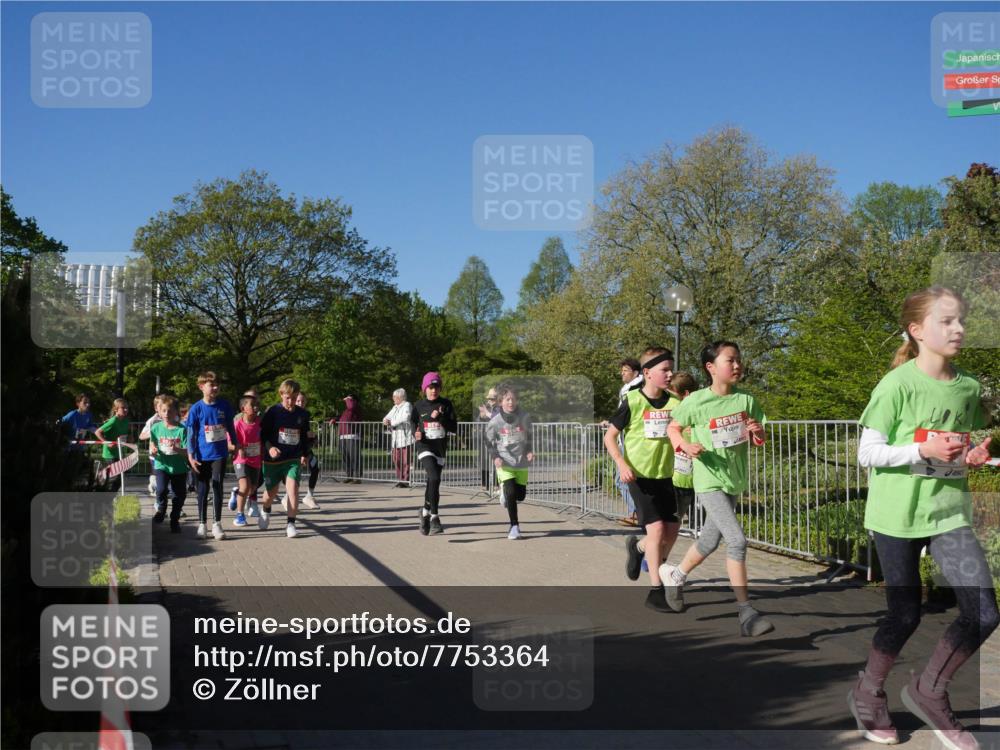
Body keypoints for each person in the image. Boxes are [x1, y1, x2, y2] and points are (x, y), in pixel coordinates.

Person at [848, 286, 997, 750]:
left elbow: (965, 440)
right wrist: (922, 449)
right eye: (946, 321)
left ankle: (929, 691)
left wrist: (975, 454)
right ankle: (868, 693)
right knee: (905, 614)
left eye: (961, 320)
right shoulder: (897, 385)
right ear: (916, 331)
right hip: (896, 515)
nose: (958, 329)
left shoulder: (969, 385)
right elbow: (866, 453)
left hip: (948, 513)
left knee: (985, 613)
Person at [665, 341, 773, 636]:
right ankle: (746, 613)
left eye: (739, 360)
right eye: (730, 360)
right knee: (736, 541)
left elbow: (759, 436)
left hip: (734, 480)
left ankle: (675, 576)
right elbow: (672, 428)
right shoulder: (697, 401)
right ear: (711, 368)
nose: (737, 365)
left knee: (710, 540)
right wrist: (686, 445)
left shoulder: (747, 400)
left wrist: (757, 433)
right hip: (708, 479)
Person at [604, 347, 681, 612]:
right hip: (638, 476)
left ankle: (638, 549)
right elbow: (610, 437)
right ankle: (656, 590)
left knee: (671, 531)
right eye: (664, 370)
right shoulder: (633, 400)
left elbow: (686, 430)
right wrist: (622, 463)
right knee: (657, 529)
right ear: (647, 373)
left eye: (671, 369)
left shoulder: (675, 403)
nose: (670, 374)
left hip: (667, 476)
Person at [632, 370, 699, 576]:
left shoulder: (696, 414)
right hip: (670, 478)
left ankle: (643, 550)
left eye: (671, 393)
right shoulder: (670, 417)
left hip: (690, 481)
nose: (667, 398)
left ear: (685, 395)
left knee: (672, 532)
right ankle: (656, 564)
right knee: (661, 530)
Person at [186, 372, 239, 541]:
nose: (215, 388)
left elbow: (231, 427)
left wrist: (236, 445)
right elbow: (191, 434)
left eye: (217, 385)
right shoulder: (196, 408)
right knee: (202, 488)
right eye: (211, 385)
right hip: (201, 455)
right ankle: (202, 524)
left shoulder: (224, 405)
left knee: (217, 485)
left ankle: (217, 523)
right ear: (202, 387)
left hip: (220, 453)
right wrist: (190, 454)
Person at [260, 379, 311, 538]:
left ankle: (291, 524)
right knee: (271, 493)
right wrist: (270, 448)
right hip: (273, 460)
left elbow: (303, 436)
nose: (291, 401)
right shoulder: (273, 412)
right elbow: (263, 434)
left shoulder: (303, 414)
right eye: (288, 397)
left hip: (292, 459)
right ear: (281, 395)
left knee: (293, 490)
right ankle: (266, 509)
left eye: (294, 398)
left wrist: (304, 453)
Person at [410, 372, 458, 535]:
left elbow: (453, 427)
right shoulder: (418, 406)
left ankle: (424, 512)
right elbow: (413, 423)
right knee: (434, 477)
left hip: (440, 448)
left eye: (436, 387)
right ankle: (435, 518)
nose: (433, 390)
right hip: (424, 446)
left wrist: (440, 418)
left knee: (434, 482)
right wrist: (415, 434)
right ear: (425, 388)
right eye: (430, 387)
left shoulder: (446, 404)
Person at [484, 383, 534, 539]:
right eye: (507, 399)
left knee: (520, 496)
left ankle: (505, 494)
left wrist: (529, 451)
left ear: (517, 400)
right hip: (504, 461)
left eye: (513, 399)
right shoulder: (496, 421)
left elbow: (529, 437)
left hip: (521, 462)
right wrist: (495, 456)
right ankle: (514, 527)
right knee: (511, 492)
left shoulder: (524, 417)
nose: (510, 402)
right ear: (500, 402)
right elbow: (488, 440)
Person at [148, 395, 189, 532]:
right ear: (159, 411)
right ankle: (161, 509)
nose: (166, 414)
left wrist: (177, 449)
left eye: (170, 411)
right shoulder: (155, 428)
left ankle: (175, 519)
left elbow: (187, 451)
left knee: (179, 495)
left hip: (179, 467)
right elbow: (152, 444)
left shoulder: (181, 430)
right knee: (160, 490)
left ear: (176, 412)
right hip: (162, 465)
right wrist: (153, 450)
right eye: (164, 411)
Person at [668, 372, 699, 536]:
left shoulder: (691, 408)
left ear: (685, 393)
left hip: (692, 462)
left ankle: (695, 526)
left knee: (690, 496)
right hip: (681, 462)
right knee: (683, 494)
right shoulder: (679, 408)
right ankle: (689, 525)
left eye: (673, 393)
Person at [614, 358, 643, 526]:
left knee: (622, 479)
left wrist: (615, 424)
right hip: (625, 438)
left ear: (635, 372)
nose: (622, 373)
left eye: (625, 370)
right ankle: (637, 512)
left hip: (631, 440)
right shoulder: (628, 389)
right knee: (626, 479)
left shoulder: (635, 389)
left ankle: (638, 513)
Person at [230, 394, 262, 527]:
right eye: (252, 405)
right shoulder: (237, 425)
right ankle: (240, 515)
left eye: (256, 405)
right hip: (241, 460)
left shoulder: (261, 423)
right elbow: (229, 444)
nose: (255, 408)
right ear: (243, 408)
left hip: (256, 460)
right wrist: (238, 448)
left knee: (252, 489)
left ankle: (236, 493)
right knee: (245, 486)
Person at [95, 398, 131, 491]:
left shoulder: (126, 420)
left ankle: (102, 485)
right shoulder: (113, 421)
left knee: (119, 478)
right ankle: (108, 495)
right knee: (115, 478)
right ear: (116, 409)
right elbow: (97, 432)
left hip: (119, 452)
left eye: (127, 408)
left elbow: (123, 435)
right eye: (123, 408)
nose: (126, 410)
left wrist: (129, 438)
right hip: (109, 454)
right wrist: (106, 442)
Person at [383, 388, 414, 488]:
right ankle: (400, 479)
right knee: (396, 460)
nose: (393, 399)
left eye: (395, 397)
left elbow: (406, 417)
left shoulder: (407, 405)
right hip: (396, 439)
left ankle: (405, 480)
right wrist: (386, 420)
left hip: (405, 438)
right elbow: (387, 417)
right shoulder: (395, 407)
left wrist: (392, 422)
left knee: (406, 461)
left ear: (401, 397)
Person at [295, 392, 320, 509]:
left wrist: (313, 438)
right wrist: (306, 434)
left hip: (305, 448)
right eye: (298, 401)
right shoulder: (289, 413)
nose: (301, 403)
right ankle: (288, 498)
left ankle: (309, 496)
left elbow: (306, 432)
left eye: (303, 401)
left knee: (315, 467)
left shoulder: (305, 414)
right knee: (294, 474)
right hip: (294, 449)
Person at [139, 395, 165, 498]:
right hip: (155, 453)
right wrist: (153, 432)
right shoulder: (152, 421)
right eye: (160, 406)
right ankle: (156, 491)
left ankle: (157, 488)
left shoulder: (172, 417)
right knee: (158, 474)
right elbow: (141, 436)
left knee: (165, 474)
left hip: (168, 452)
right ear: (156, 408)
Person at [477, 387, 500, 490]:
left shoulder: (500, 408)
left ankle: (496, 484)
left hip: (496, 438)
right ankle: (484, 484)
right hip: (485, 437)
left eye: (493, 398)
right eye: (489, 398)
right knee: (484, 460)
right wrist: (481, 416)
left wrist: (487, 413)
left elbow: (498, 419)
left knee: (496, 460)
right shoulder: (485, 407)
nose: (490, 400)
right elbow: (478, 421)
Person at [338, 395, 363, 483]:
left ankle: (358, 477)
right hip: (343, 436)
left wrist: (348, 399)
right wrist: (334, 420)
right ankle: (349, 475)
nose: (347, 401)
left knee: (355, 457)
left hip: (353, 436)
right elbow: (342, 418)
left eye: (350, 399)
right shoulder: (347, 410)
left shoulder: (354, 407)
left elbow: (351, 406)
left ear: (354, 401)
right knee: (346, 458)